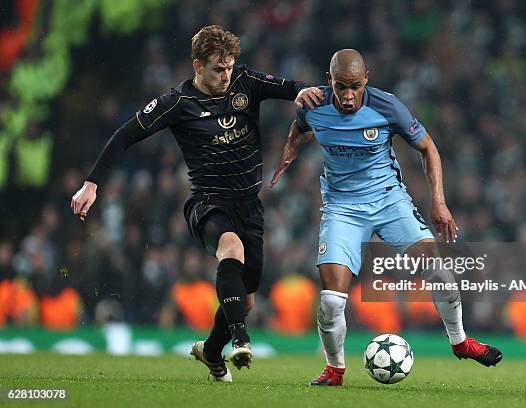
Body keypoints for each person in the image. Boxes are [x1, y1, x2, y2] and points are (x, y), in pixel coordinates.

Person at [71, 25, 323, 382]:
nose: (225, 76)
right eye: (218, 69)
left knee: (245, 300)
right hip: (207, 204)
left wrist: (306, 91)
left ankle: (210, 351)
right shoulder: (177, 103)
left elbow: (290, 87)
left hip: (249, 207)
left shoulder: (246, 83)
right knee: (230, 248)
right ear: (197, 65)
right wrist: (91, 183)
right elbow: (125, 135)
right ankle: (240, 339)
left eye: (230, 67)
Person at [271, 49, 502, 386]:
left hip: (388, 201)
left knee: (437, 269)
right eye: (340, 87)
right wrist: (291, 147)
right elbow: (300, 125)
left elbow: (428, 148)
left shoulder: (387, 106)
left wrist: (439, 201)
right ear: (328, 81)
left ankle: (461, 342)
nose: (348, 96)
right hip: (342, 208)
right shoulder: (312, 105)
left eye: (354, 86)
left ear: (367, 78)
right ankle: (334, 370)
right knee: (331, 301)